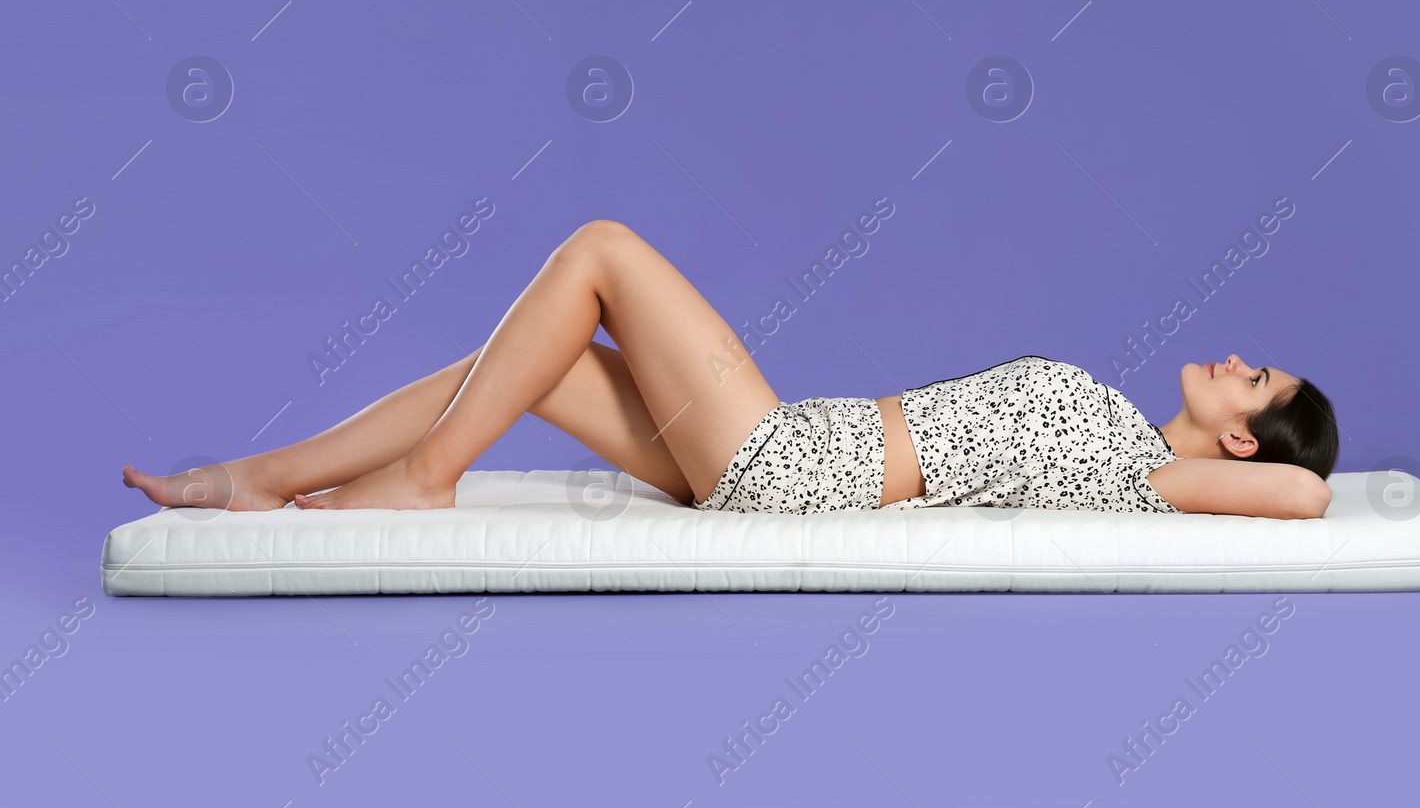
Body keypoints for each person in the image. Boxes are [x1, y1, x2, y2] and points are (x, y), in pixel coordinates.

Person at [122, 220, 1337, 520]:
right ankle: (254, 476)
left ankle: (428, 475)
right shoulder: (1122, 434)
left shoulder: (1143, 475)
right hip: (792, 445)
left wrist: (1281, 465)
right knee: (528, 360)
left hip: (800, 461)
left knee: (598, 247)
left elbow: (1308, 492)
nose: (1234, 360)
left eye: (1254, 381)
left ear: (1238, 435)